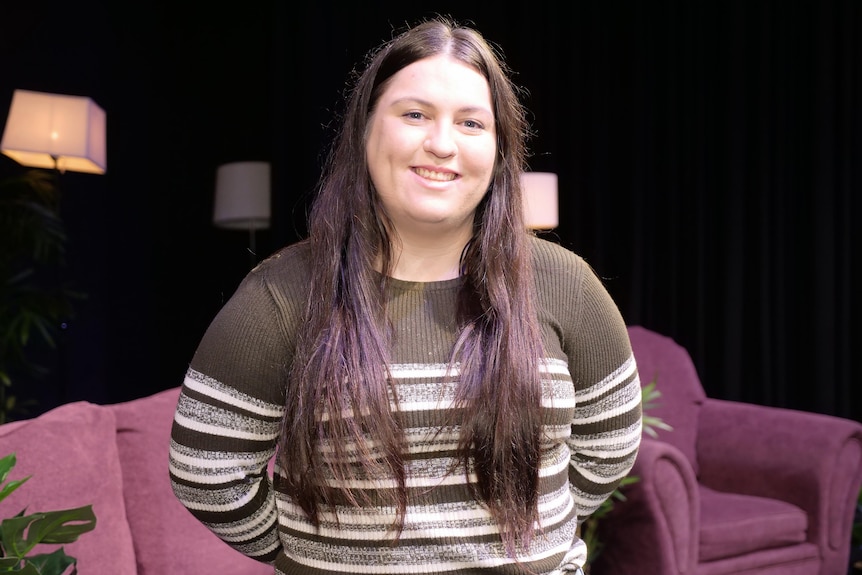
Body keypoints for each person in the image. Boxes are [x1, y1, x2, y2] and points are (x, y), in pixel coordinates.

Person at [169, 16, 642, 575]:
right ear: (366, 130)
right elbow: (206, 471)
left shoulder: (566, 283)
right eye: (414, 114)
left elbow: (610, 445)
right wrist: (306, 558)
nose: (441, 144)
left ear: (498, 149)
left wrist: (540, 534)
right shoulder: (282, 295)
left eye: (471, 123)